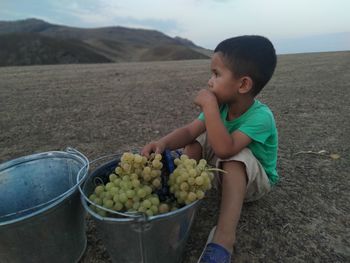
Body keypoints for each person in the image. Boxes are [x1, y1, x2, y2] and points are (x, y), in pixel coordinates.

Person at [141, 35, 278, 263]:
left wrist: (209, 105)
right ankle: (183, 196)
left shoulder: (261, 117)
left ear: (243, 84)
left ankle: (223, 239)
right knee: (195, 141)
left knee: (236, 157)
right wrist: (163, 143)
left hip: (254, 181)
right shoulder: (221, 106)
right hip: (221, 169)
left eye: (216, 74)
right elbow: (189, 131)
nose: (209, 81)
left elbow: (225, 149)